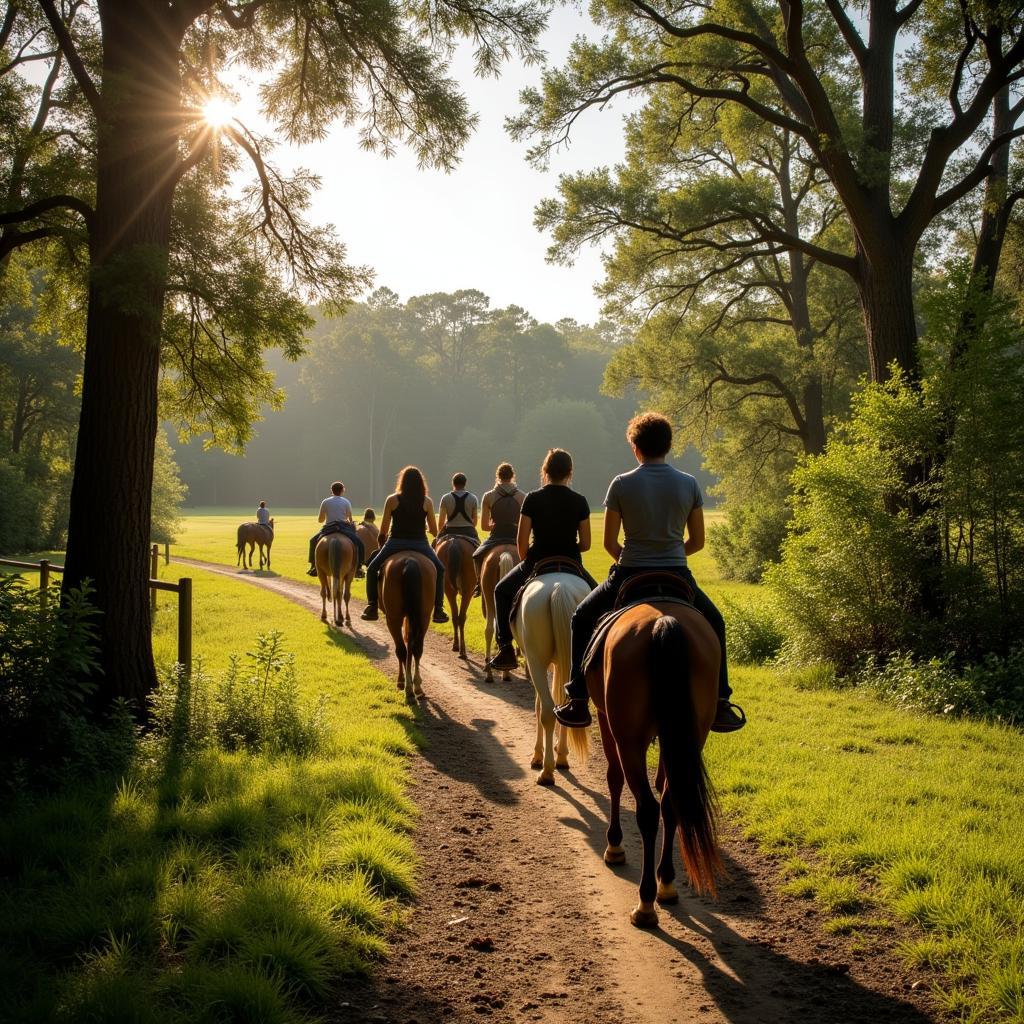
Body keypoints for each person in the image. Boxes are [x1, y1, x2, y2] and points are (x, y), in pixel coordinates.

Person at [553, 413, 745, 733]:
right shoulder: (689, 483)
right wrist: (668, 555)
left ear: (635, 447)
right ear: (668, 446)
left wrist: (631, 559)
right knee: (715, 621)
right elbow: (697, 541)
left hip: (629, 572)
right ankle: (722, 701)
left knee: (582, 618)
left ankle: (577, 697)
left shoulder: (621, 483)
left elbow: (609, 542)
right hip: (677, 574)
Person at [485, 449, 598, 672]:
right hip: (571, 563)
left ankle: (506, 648)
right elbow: (585, 544)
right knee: (601, 603)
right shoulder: (580, 501)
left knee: (501, 591)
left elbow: (522, 543)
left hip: (538, 561)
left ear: (545, 471)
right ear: (569, 472)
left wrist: (529, 561)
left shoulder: (532, 498)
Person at [360, 466, 449, 623]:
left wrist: (381, 545)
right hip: (420, 543)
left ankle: (372, 606)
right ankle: (439, 609)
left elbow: (383, 531)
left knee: (373, 568)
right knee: (440, 570)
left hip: (395, 542)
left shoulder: (392, 500)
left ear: (402, 482)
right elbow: (435, 531)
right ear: (421, 483)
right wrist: (426, 527)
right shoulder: (427, 502)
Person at [472, 463, 526, 596]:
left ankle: (479, 583)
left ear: (498, 476)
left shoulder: (488, 496)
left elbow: (484, 526)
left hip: (496, 537)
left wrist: (495, 524)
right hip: (515, 538)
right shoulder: (523, 496)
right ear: (513, 476)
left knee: (476, 556)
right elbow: (524, 525)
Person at [307, 481, 364, 576]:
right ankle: (358, 568)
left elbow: (320, 520)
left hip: (328, 528)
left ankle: (314, 566)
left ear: (331, 491)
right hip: (343, 528)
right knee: (359, 544)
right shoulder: (346, 502)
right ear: (343, 490)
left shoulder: (325, 501)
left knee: (313, 541)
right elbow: (350, 519)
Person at [435, 473, 480, 544]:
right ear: (465, 483)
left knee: (435, 547)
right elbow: (475, 522)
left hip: (450, 531)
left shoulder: (445, 498)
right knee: (479, 551)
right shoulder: (473, 498)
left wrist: (439, 535)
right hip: (468, 531)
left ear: (453, 483)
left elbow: (441, 523)